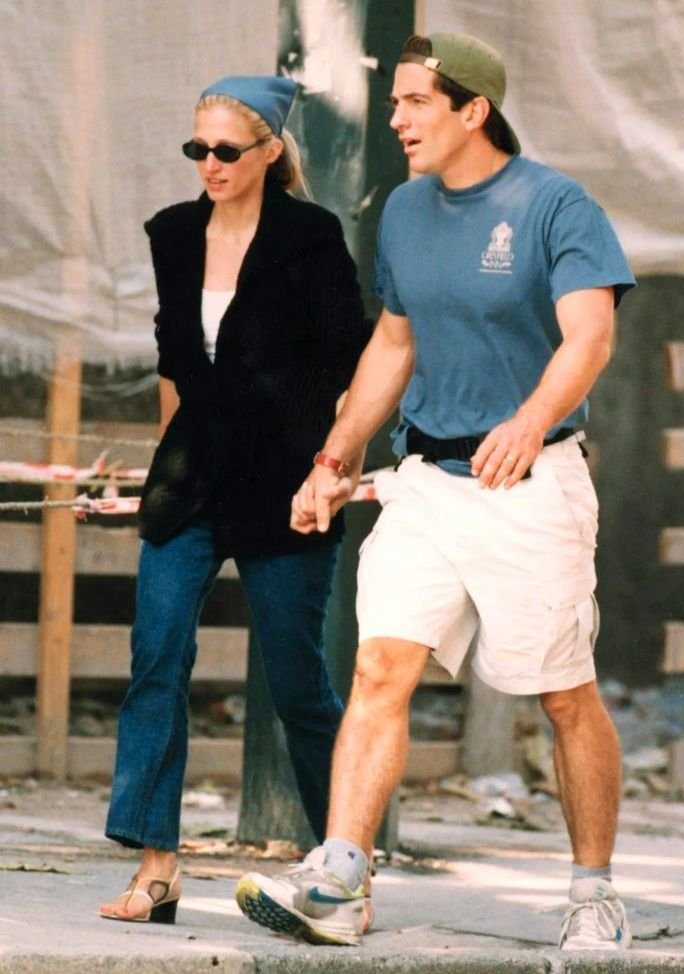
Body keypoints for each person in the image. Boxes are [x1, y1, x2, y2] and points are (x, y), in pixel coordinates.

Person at [235, 33, 637, 951]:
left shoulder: (555, 206)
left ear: (472, 110)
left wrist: (531, 420)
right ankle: (340, 877)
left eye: (415, 101)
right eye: (396, 104)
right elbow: (394, 345)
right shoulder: (408, 211)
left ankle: (594, 893)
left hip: (533, 485)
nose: (398, 120)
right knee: (381, 668)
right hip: (426, 480)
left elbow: (589, 338)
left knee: (564, 693)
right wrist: (334, 460)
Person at [99, 75, 370, 923]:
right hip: (193, 478)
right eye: (198, 150)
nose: (209, 165)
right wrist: (158, 471)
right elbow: (176, 368)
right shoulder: (173, 234)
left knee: (297, 682)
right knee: (156, 658)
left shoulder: (311, 236)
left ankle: (343, 867)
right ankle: (157, 864)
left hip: (286, 479)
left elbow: (351, 364)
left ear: (268, 154)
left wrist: (332, 467)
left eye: (226, 151)